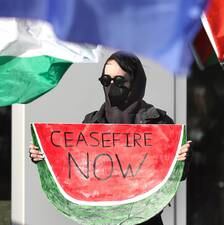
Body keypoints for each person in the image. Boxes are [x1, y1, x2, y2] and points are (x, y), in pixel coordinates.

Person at [29, 51, 191, 225]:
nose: (111, 86)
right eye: (106, 80)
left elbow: (177, 176)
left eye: (119, 81)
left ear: (135, 83)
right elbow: (75, 167)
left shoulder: (159, 122)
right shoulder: (91, 122)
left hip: (146, 220)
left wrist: (182, 159)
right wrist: (44, 155)